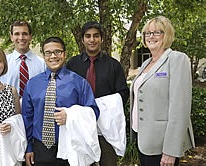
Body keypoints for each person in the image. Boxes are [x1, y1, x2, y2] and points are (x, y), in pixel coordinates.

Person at [22, 37, 100, 166]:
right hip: (41, 149)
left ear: (65, 54)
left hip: (71, 147)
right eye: (48, 52)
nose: (53, 56)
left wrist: (70, 117)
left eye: (57, 52)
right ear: (44, 55)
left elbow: (94, 112)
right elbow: (27, 118)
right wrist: (28, 147)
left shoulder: (79, 83)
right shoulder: (32, 84)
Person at [130, 16, 195, 166]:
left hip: (162, 144)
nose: (151, 36)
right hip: (143, 139)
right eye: (147, 33)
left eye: (157, 32)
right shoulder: (146, 63)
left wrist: (171, 150)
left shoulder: (177, 60)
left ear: (167, 35)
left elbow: (180, 108)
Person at [66, 21, 129, 166]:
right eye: (88, 36)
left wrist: (104, 107)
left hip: (105, 130)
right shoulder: (72, 65)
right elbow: (66, 92)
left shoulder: (113, 65)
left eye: (96, 36)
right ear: (82, 40)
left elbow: (123, 93)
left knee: (108, 162)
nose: (92, 40)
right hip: (80, 127)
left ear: (101, 39)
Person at [0, 20, 45, 98]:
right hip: (9, 109)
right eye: (17, 34)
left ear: (30, 36)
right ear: (11, 37)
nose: (21, 38)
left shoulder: (43, 64)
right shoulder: (3, 63)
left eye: (25, 34)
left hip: (34, 109)